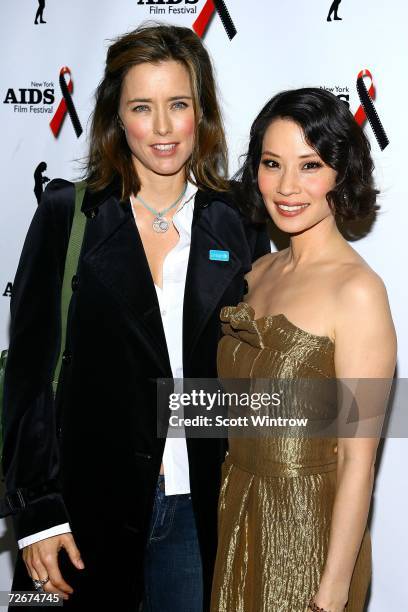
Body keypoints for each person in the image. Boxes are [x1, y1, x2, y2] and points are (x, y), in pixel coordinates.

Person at [0, 24, 270, 611]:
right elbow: (28, 379)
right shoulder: (67, 216)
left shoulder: (239, 223)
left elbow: (250, 377)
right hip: (77, 514)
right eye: (143, 108)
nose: (165, 127)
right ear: (117, 119)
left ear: (203, 112)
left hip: (200, 515)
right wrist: (37, 513)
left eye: (179, 104)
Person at [210, 88, 396, 612]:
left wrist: (333, 591)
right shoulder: (256, 273)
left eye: (309, 165)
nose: (287, 187)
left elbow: (360, 462)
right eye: (272, 164)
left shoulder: (357, 291)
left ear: (340, 173)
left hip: (307, 529)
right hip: (238, 505)